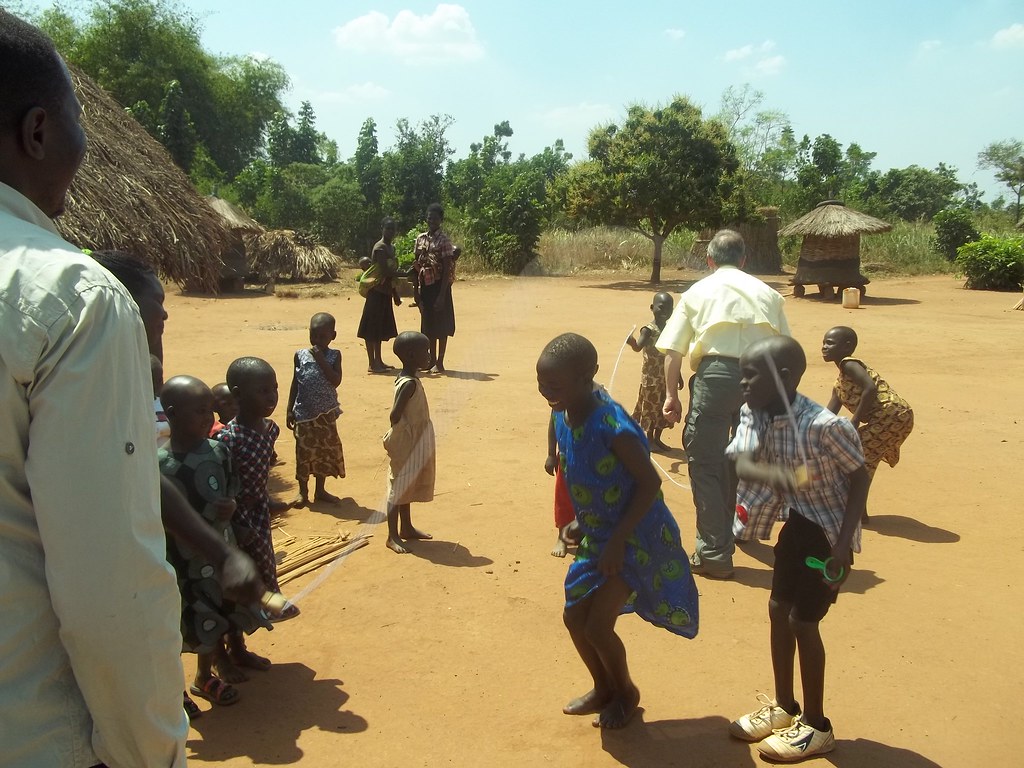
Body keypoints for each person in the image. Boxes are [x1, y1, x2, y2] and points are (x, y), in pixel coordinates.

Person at [0, 12, 186, 766]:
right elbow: (112, 592)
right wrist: (153, 751)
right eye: (80, 120)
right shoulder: (71, 298)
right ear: (40, 131)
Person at [537, 333, 699, 730]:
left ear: (586, 376)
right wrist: (581, 519)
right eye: (541, 384)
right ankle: (603, 687)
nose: (546, 394)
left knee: (597, 625)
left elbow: (648, 485)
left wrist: (615, 542)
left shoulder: (614, 425)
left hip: (635, 537)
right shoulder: (563, 408)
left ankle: (625, 693)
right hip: (599, 534)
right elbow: (568, 447)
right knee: (574, 617)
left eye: (554, 386)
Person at [725, 336, 867, 762]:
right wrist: (780, 477)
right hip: (798, 524)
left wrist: (842, 548)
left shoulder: (827, 427)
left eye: (751, 375)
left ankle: (818, 726)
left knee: (803, 621)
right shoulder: (754, 411)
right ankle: (786, 709)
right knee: (776, 610)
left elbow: (859, 477)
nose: (742, 383)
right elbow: (739, 458)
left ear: (785, 378)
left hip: (827, 535)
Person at [656, 229, 790, 579]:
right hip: (762, 380)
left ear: (710, 260)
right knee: (740, 459)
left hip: (716, 378)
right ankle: (731, 530)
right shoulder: (769, 295)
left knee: (705, 463)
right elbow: (787, 351)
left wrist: (671, 396)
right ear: (744, 260)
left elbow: (673, 352)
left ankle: (714, 552)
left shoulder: (697, 291)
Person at [159, 375, 272, 711]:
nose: (209, 417)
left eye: (210, 410)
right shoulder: (160, 465)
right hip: (182, 563)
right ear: (171, 413)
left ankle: (204, 677)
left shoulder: (219, 450)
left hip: (221, 554)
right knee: (182, 624)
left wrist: (232, 507)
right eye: (199, 411)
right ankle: (174, 692)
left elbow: (232, 488)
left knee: (216, 615)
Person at [214, 356, 299, 672]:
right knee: (232, 587)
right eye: (262, 390)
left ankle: (240, 647)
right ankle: (224, 654)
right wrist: (237, 522)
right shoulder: (228, 439)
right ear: (237, 395)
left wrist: (269, 502)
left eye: (274, 389)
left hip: (259, 517)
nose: (272, 397)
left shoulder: (270, 430)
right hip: (234, 523)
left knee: (259, 574)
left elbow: (260, 475)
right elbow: (222, 486)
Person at [822, 326, 913, 523]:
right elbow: (827, 416)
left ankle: (856, 513)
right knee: (860, 459)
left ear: (847, 347)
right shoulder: (840, 385)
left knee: (858, 460)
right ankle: (859, 512)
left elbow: (870, 388)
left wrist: (854, 421)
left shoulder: (849, 364)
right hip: (889, 418)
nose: (824, 347)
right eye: (823, 343)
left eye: (829, 343)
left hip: (892, 415)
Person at [383, 331, 436, 553]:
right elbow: (395, 414)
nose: (429, 355)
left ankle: (406, 527)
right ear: (412, 355)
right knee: (398, 486)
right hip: (406, 440)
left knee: (408, 484)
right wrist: (405, 431)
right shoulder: (409, 384)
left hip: (415, 439)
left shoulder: (410, 378)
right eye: (426, 352)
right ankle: (392, 535)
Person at [287, 312, 345, 507]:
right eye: (313, 335)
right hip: (304, 413)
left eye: (322, 336)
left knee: (323, 451)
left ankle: (320, 490)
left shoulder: (334, 355)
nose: (317, 340)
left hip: (326, 413)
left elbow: (336, 381)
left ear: (333, 336)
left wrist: (321, 359)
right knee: (303, 452)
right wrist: (289, 409)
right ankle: (303, 492)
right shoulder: (300, 355)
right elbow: (295, 383)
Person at [626, 292, 676, 450]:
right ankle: (648, 439)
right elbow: (638, 347)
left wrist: (678, 375)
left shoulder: (669, 329)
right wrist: (631, 341)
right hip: (651, 378)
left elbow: (671, 353)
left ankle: (657, 438)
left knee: (663, 408)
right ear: (652, 308)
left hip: (666, 377)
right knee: (649, 408)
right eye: (661, 308)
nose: (665, 312)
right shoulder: (648, 330)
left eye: (669, 309)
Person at [412, 203, 458, 373]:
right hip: (425, 286)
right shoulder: (420, 238)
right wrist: (416, 291)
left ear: (441, 220)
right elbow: (415, 265)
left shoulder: (444, 240)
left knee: (442, 326)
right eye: (430, 217)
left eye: (435, 218)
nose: (432, 221)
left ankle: (440, 361)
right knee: (428, 325)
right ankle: (430, 360)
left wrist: (441, 295)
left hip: (440, 287)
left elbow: (446, 268)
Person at [358, 217, 404, 373]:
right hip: (376, 293)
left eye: (393, 229)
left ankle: (379, 361)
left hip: (384, 293)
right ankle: (372, 363)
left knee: (378, 329)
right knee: (371, 330)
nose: (390, 231)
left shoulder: (390, 248)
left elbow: (389, 277)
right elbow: (386, 272)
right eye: (388, 228)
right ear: (382, 228)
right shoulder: (380, 248)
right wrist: (406, 274)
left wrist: (395, 294)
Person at [545, 410, 577, 557]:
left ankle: (586, 536)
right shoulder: (558, 403)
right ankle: (562, 537)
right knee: (563, 499)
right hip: (564, 458)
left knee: (589, 500)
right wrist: (551, 454)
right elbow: (553, 423)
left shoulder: (592, 400)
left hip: (587, 459)